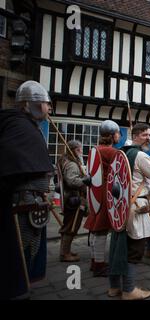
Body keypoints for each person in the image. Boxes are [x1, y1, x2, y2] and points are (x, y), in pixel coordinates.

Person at [0, 80, 54, 299]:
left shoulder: (25, 126)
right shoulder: (19, 127)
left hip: (30, 201)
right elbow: (11, 168)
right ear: (32, 104)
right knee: (19, 249)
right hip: (22, 203)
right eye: (46, 103)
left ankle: (19, 283)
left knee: (26, 248)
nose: (49, 108)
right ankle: (15, 287)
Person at [107, 123, 150, 300]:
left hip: (121, 206)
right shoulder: (140, 155)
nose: (149, 138)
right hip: (135, 207)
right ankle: (129, 290)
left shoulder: (121, 153)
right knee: (134, 248)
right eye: (146, 135)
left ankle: (114, 287)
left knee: (118, 246)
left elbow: (134, 182)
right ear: (137, 135)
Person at [84, 120, 121, 277]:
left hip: (95, 193)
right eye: (118, 133)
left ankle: (95, 261)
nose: (119, 135)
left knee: (95, 228)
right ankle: (99, 265)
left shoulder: (95, 150)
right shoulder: (111, 152)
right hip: (106, 193)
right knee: (101, 230)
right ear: (113, 135)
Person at [57, 140, 91, 262]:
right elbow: (71, 181)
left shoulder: (66, 160)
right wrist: (85, 181)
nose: (81, 151)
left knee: (69, 225)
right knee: (71, 227)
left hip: (70, 198)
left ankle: (65, 251)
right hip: (73, 199)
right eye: (79, 149)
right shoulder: (71, 164)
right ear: (74, 150)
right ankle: (64, 254)